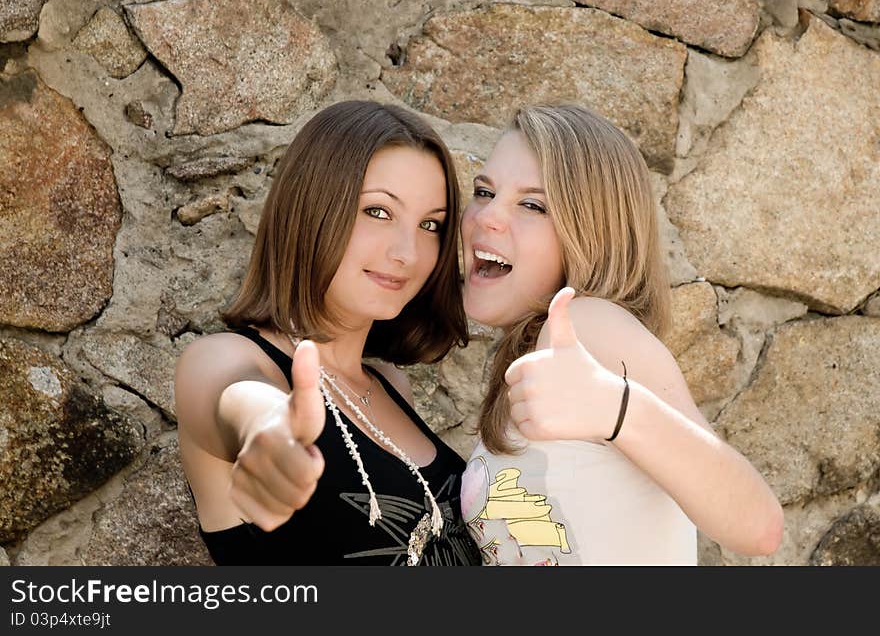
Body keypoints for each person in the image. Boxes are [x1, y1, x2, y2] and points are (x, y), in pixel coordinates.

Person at [458, 104, 784, 565]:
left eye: (532, 204)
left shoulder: (591, 323)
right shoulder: (537, 350)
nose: (486, 217)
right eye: (484, 191)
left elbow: (759, 526)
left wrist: (616, 406)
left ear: (591, 233)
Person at [174, 100, 482, 566]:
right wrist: (267, 431)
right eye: (378, 212)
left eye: (429, 224)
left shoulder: (391, 387)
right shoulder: (220, 360)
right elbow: (236, 400)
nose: (408, 252)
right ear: (312, 208)